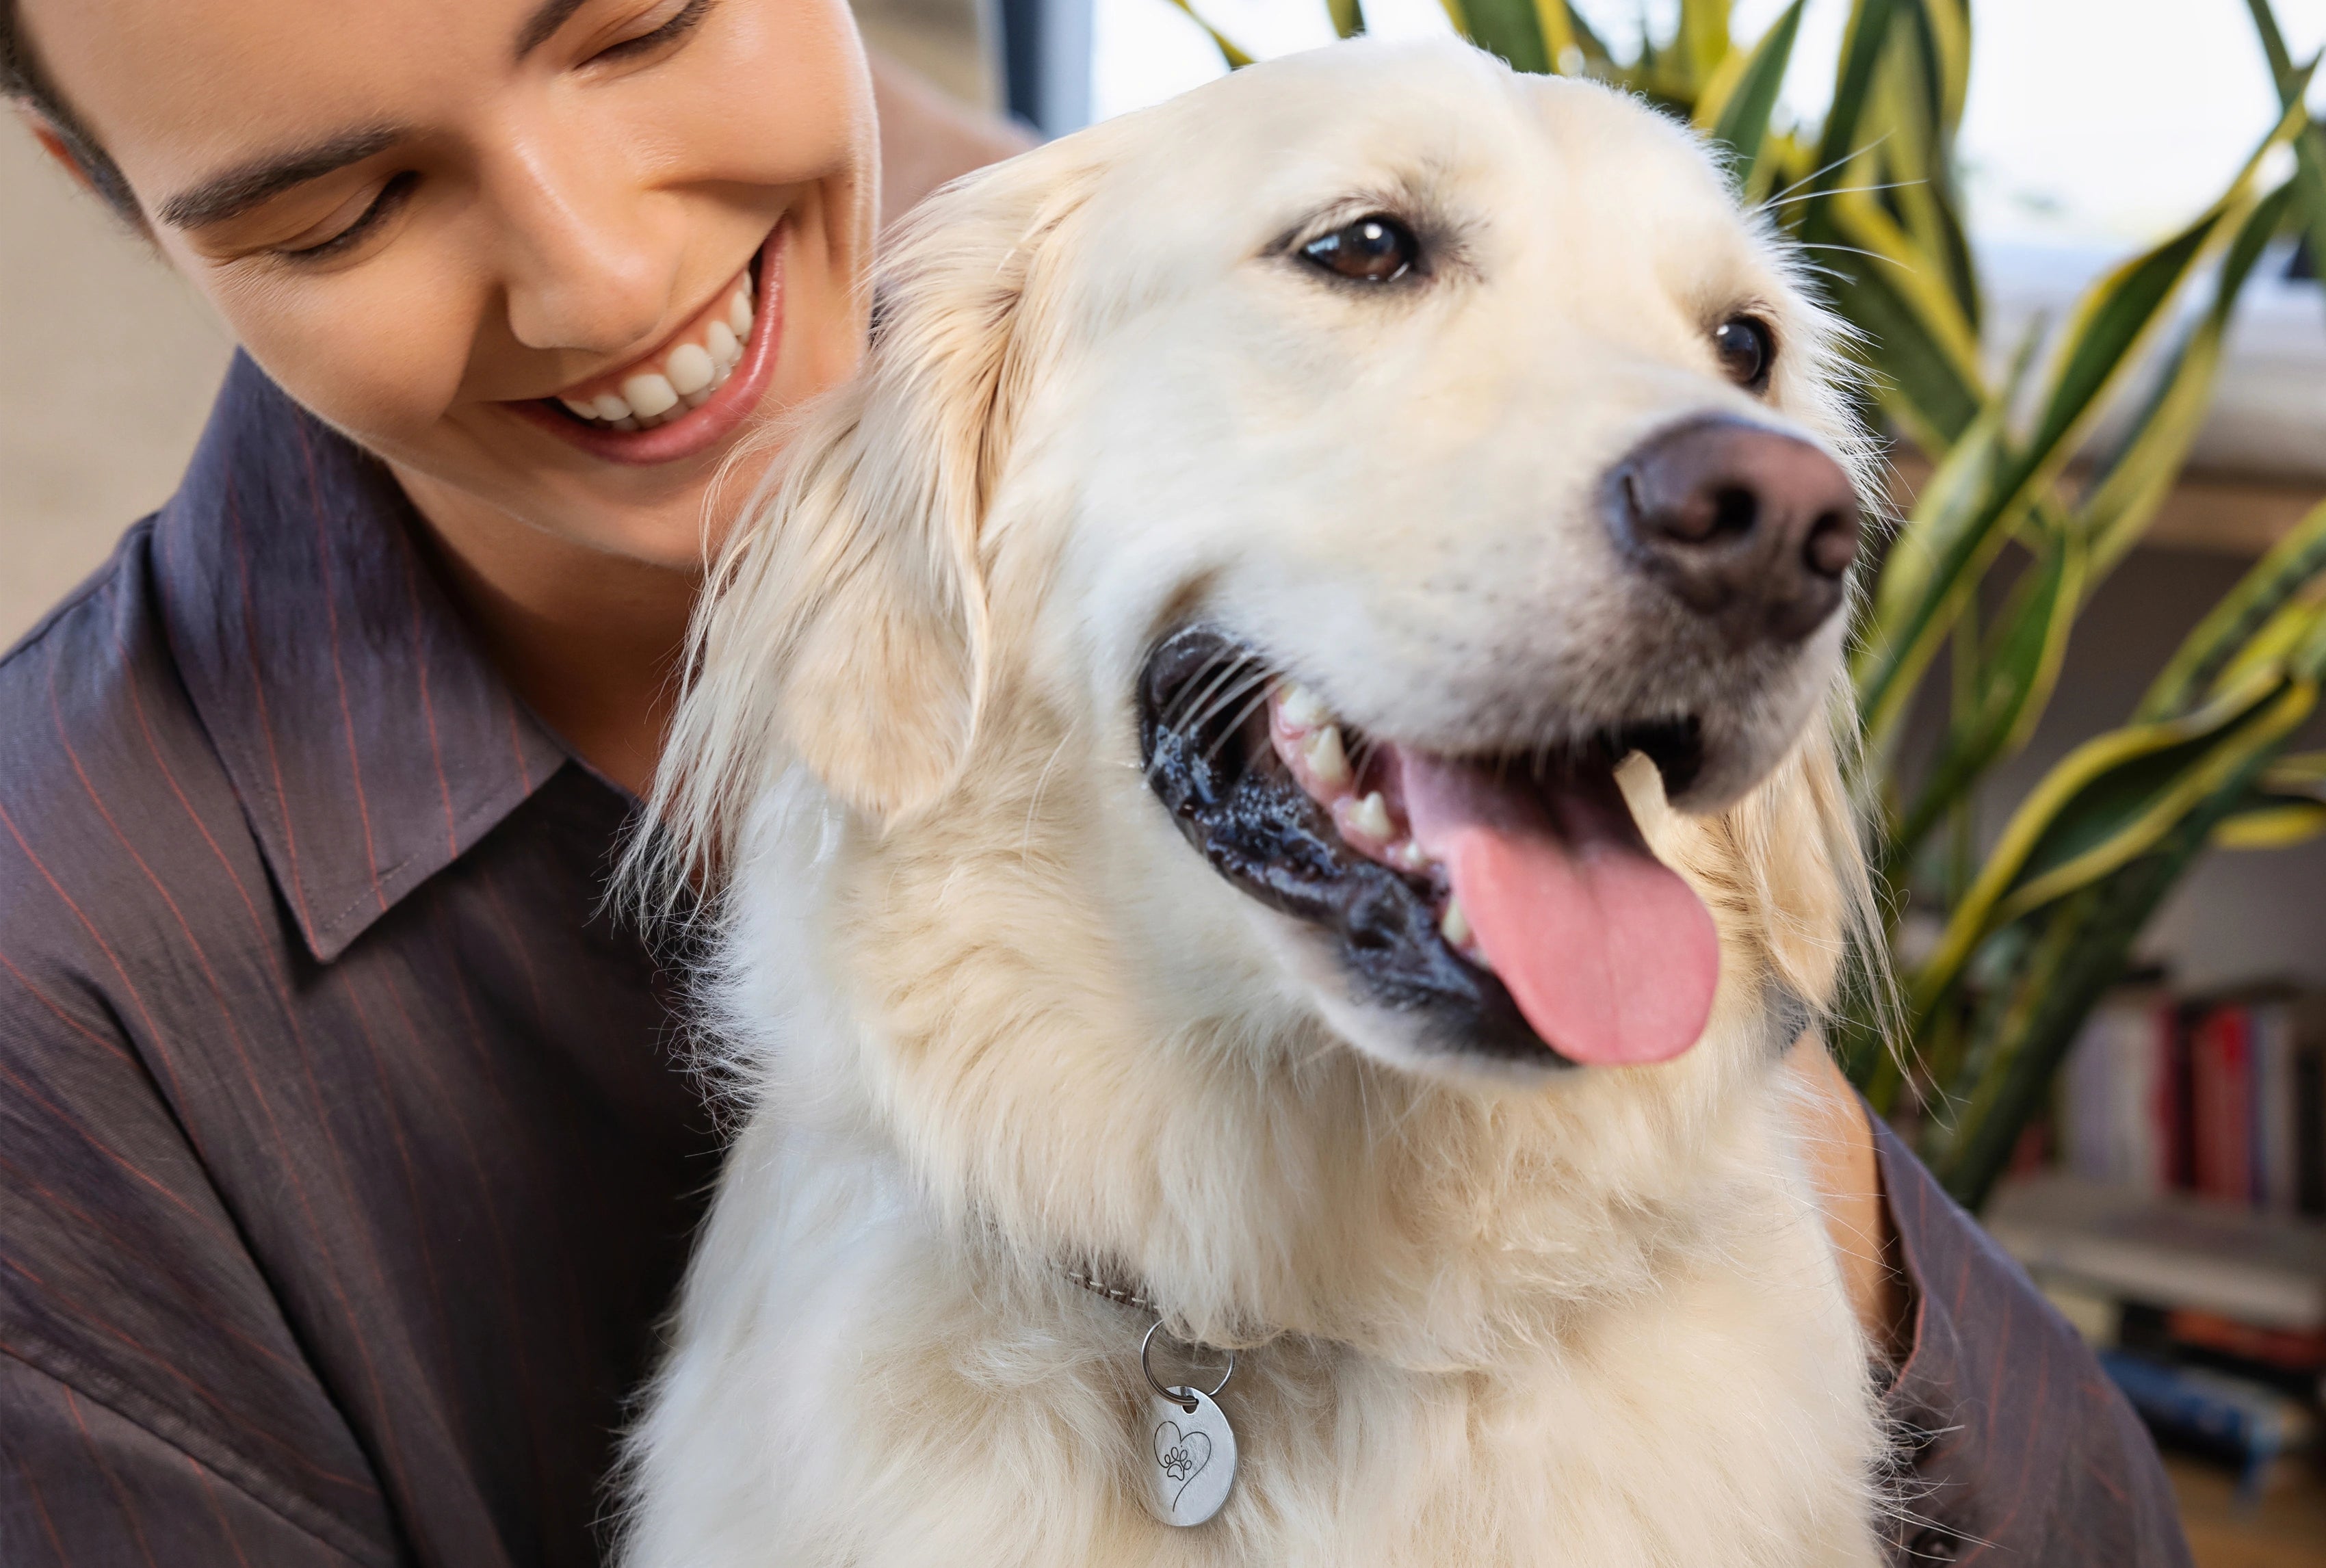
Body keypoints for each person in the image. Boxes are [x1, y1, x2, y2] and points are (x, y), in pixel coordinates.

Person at [0, 1, 2188, 1563]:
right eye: (344, 209)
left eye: (645, 23)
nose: (607, 274)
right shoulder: (66, 997)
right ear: (115, 198)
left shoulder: (1046, 276)